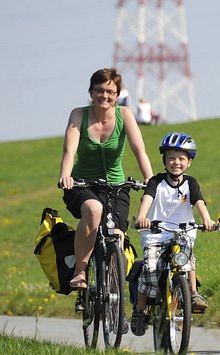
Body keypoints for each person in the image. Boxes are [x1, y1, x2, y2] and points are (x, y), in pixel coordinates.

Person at [58, 67, 153, 292]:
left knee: (118, 236)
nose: (105, 96)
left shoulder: (125, 115)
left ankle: (113, 295)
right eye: (100, 90)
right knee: (93, 210)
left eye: (111, 92)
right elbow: (69, 150)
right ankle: (80, 272)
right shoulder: (78, 115)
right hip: (83, 184)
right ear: (91, 91)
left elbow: (139, 150)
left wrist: (150, 179)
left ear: (117, 95)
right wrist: (65, 175)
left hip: (116, 186)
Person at [131, 132, 216, 336]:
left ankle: (193, 294)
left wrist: (207, 219)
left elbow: (199, 202)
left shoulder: (191, 183)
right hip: (156, 233)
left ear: (189, 162)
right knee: (150, 269)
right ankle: (140, 310)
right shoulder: (156, 182)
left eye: (181, 158)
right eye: (171, 158)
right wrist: (142, 217)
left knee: (186, 260)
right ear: (164, 160)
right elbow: (147, 199)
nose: (175, 162)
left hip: (182, 231)